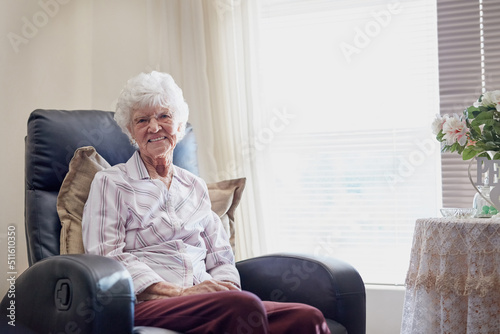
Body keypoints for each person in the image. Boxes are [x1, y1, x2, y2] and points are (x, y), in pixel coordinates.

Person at [82, 71, 331, 334]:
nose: (154, 127)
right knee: (241, 307)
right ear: (132, 132)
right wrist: (180, 292)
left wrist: (223, 288)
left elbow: (220, 256)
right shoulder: (111, 182)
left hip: (211, 301)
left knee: (307, 318)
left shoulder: (194, 186)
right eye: (142, 120)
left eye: (164, 116)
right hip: (148, 302)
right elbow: (106, 257)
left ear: (179, 126)